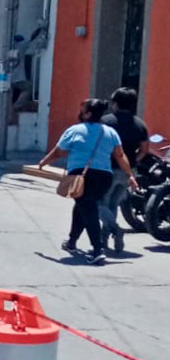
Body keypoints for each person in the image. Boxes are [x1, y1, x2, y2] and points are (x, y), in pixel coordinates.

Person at [38, 98, 135, 265]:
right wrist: (129, 174)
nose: (80, 112)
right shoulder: (110, 132)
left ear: (88, 114)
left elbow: (58, 152)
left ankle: (97, 250)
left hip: (81, 176)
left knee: (88, 209)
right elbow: (120, 155)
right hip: (104, 177)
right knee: (83, 206)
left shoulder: (75, 130)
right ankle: (71, 241)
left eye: (82, 110)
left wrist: (44, 162)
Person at [100, 87, 150, 254]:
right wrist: (134, 161)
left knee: (98, 203)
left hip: (107, 169)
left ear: (115, 103)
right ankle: (104, 240)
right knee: (113, 204)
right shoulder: (139, 124)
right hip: (128, 171)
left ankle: (115, 229)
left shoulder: (105, 121)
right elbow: (144, 149)